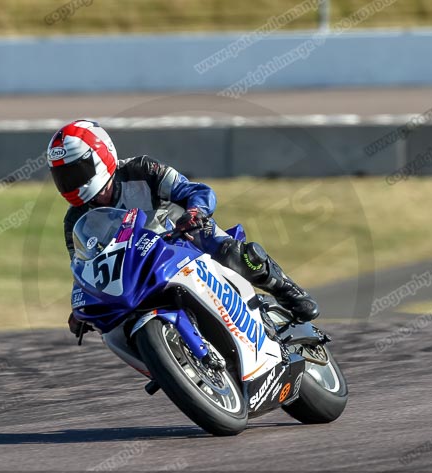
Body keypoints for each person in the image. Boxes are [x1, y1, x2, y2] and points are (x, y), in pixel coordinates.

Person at [47, 120, 319, 336]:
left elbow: (196, 191)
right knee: (114, 326)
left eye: (76, 172)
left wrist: (194, 212)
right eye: (63, 176)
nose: (70, 183)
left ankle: (287, 290)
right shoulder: (75, 220)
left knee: (230, 252)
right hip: (137, 270)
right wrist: (81, 308)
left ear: (101, 156)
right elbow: (83, 268)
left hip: (181, 236)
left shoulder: (143, 170)